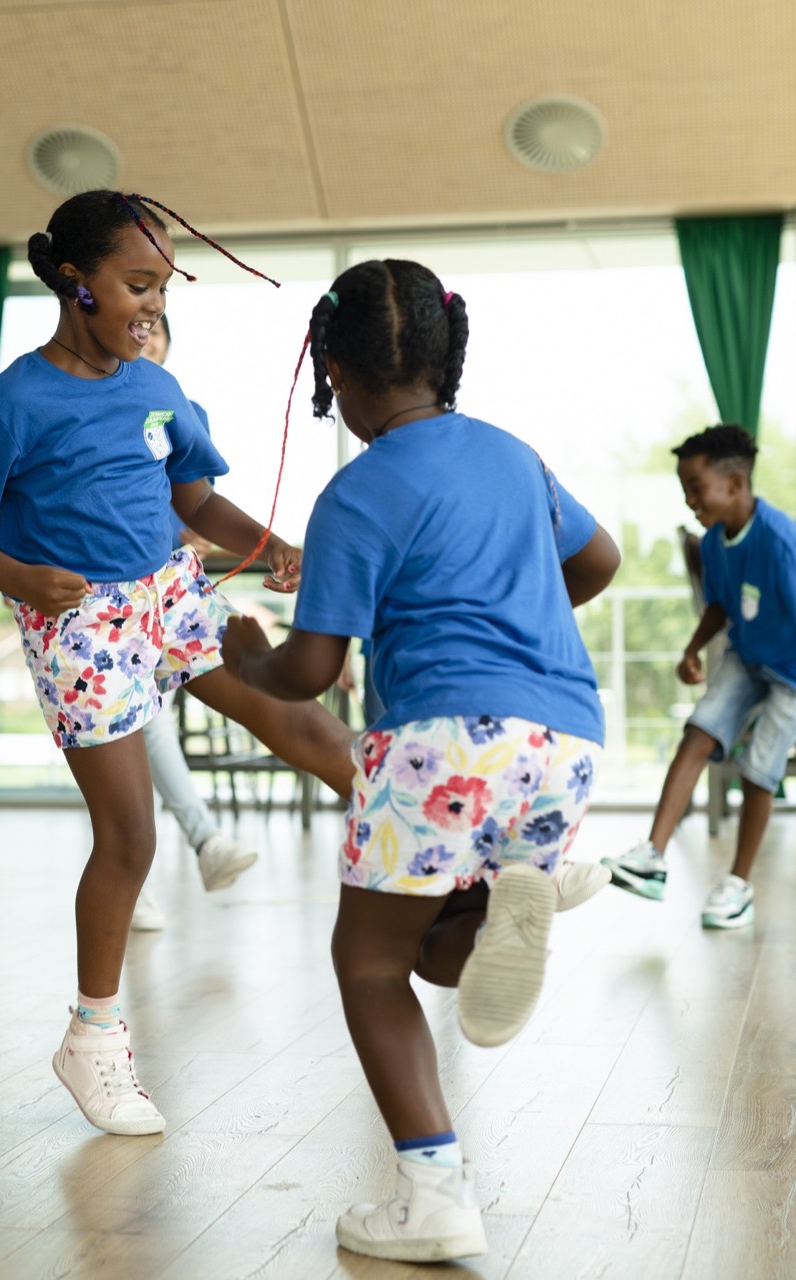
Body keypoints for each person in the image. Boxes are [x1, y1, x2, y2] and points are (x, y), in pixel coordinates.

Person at [0, 189, 356, 1138]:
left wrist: (272, 543)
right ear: (76, 283)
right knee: (130, 838)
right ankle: (94, 1038)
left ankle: (450, 840)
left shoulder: (157, 388)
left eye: (161, 288)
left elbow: (195, 498)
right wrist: (16, 577)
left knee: (289, 712)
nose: (152, 306)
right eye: (137, 284)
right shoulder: (7, 404)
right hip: (78, 624)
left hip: (167, 590)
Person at [221, 259, 621, 1262]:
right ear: (448, 358)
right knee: (436, 942)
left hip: (439, 746)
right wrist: (512, 614)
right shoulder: (515, 457)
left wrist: (248, 656)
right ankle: (513, 902)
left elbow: (311, 671)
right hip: (563, 739)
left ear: (336, 372)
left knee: (366, 963)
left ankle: (434, 1194)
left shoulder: (356, 493)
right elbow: (600, 559)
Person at [603, 424, 796, 929]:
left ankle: (738, 885)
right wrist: (692, 648)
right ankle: (652, 857)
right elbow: (720, 604)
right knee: (698, 732)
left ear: (735, 483)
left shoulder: (782, 542)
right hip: (749, 654)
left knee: (759, 769)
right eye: (685, 489)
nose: (689, 500)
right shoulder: (715, 541)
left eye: (696, 488)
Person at [130, 313, 259, 932]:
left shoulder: (182, 411)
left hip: (169, 595)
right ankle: (197, 844)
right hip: (105, 606)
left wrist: (194, 537)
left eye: (157, 328)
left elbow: (195, 501)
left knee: (144, 735)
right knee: (140, 734)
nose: (146, 335)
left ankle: (164, 865)